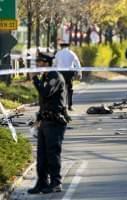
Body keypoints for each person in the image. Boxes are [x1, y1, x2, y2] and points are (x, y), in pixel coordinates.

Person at [28, 52, 70, 194]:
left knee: (52, 153)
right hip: (45, 121)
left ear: (46, 63)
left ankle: (56, 182)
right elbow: (43, 102)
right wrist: (38, 119)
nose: (37, 65)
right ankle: (42, 182)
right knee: (41, 155)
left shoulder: (55, 76)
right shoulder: (45, 76)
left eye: (39, 62)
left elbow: (46, 93)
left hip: (55, 121)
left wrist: (35, 80)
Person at [54, 42, 82, 111]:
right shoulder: (72, 53)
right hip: (70, 72)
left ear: (61, 47)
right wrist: (79, 72)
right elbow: (77, 63)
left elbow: (54, 63)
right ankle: (70, 106)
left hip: (60, 73)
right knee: (69, 89)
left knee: (60, 89)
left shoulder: (58, 53)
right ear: (68, 46)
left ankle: (61, 105)